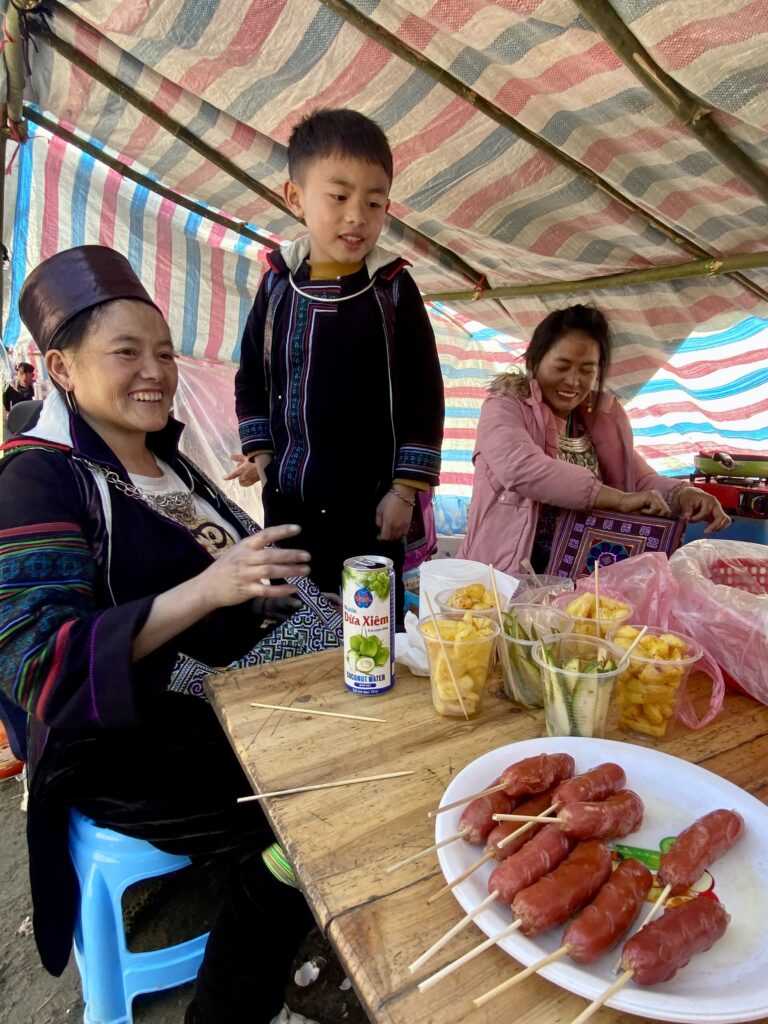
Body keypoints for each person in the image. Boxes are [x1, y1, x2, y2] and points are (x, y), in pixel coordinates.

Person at [0, 244, 328, 1024]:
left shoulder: (168, 461)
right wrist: (209, 590)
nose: (155, 371)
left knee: (369, 706)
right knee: (312, 810)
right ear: (63, 368)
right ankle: (234, 994)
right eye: (126, 353)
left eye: (164, 353)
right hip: (121, 739)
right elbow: (35, 666)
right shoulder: (38, 479)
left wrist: (288, 591)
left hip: (218, 696)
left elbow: (239, 578)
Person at [228, 108, 444, 613]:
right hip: (289, 501)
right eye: (340, 196)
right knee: (294, 622)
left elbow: (424, 393)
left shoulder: (393, 290)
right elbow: (252, 374)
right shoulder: (277, 283)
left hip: (370, 510)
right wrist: (259, 452)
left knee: (368, 628)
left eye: (374, 202)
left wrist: (405, 491)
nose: (357, 216)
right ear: (295, 197)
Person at [459, 304, 731, 574]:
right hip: (502, 578)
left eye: (587, 370)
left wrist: (684, 494)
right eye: (562, 366)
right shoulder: (504, 407)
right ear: (534, 361)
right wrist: (620, 500)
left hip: (582, 580)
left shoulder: (600, 422)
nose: (573, 381)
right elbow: (522, 468)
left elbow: (638, 480)